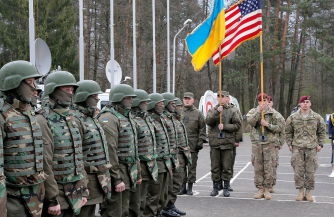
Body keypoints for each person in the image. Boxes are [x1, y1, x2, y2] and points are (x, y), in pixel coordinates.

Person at [36, 70, 89, 217]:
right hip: (56, 194)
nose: (71, 93)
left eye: (72, 90)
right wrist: (52, 199)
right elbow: (44, 163)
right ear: (53, 90)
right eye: (67, 89)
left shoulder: (72, 119)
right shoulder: (42, 119)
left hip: (75, 192)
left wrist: (83, 188)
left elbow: (79, 157)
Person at [0, 60, 47, 217]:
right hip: (12, 201)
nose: (34, 87)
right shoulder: (3, 115)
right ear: (14, 83)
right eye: (29, 82)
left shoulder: (29, 113)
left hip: (35, 198)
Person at [97, 84, 141, 217]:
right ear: (119, 98)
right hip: (117, 172)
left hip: (128, 172)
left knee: (126, 210)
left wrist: (137, 173)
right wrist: (116, 178)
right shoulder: (109, 118)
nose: (132, 101)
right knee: (114, 211)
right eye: (128, 97)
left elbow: (134, 147)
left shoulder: (126, 116)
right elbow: (110, 150)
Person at [71, 80, 112, 217]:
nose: (97, 99)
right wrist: (83, 185)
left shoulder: (91, 118)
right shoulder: (76, 120)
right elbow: (76, 156)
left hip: (96, 179)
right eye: (94, 96)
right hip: (85, 180)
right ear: (84, 97)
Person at [286, 95, 326, 202]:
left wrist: (320, 144)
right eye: (303, 102)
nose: (305, 104)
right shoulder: (293, 117)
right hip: (297, 148)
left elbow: (322, 131)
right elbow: (288, 132)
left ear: (310, 104)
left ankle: (308, 192)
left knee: (310, 171)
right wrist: (289, 144)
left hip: (311, 148)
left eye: (307, 102)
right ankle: (300, 192)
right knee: (298, 171)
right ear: (300, 104)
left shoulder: (317, 117)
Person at [246, 93, 285, 200]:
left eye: (265, 100)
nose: (263, 102)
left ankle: (267, 189)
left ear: (268, 101)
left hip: (270, 144)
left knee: (269, 167)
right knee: (258, 167)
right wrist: (258, 111)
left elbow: (281, 127)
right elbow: (250, 121)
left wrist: (268, 125)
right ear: (258, 102)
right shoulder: (253, 112)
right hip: (257, 144)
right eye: (261, 100)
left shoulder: (275, 114)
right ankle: (260, 189)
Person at [206, 91, 241, 197]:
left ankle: (226, 187)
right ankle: (215, 187)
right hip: (215, 143)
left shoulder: (233, 111)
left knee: (227, 166)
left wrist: (225, 127)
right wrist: (217, 112)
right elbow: (208, 121)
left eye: (223, 97)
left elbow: (237, 125)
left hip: (227, 143)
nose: (220, 99)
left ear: (227, 98)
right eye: (219, 97)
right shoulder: (212, 110)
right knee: (215, 166)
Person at [129, 89, 158, 217]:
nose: (147, 104)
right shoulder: (133, 120)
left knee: (143, 198)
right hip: (138, 165)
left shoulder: (146, 119)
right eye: (144, 101)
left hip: (149, 165)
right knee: (135, 201)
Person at [143, 93, 172, 217]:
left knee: (162, 192)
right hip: (156, 162)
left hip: (164, 160)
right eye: (159, 104)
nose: (163, 107)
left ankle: (159, 211)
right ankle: (151, 213)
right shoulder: (149, 121)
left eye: (162, 104)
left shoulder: (160, 120)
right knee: (153, 193)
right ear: (152, 106)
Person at [161, 94, 187, 217]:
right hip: (171, 155)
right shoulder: (165, 119)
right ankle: (166, 207)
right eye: (177, 105)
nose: (180, 108)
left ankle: (170, 205)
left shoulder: (175, 119)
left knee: (177, 182)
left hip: (179, 154)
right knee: (172, 183)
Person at [179, 92, 206, 196]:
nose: (187, 100)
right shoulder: (179, 112)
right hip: (180, 145)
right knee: (181, 167)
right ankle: (182, 186)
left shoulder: (198, 113)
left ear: (193, 100)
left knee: (191, 167)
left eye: (188, 99)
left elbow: (202, 129)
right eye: (185, 98)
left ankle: (190, 186)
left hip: (192, 145)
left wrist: (200, 142)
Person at [267, 96, 285, 193]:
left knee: (273, 164)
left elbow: (282, 129)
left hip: (274, 143)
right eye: (267, 101)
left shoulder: (277, 115)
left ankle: (271, 184)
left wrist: (281, 142)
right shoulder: (261, 114)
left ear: (272, 103)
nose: (268, 103)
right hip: (263, 143)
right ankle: (264, 184)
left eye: (270, 102)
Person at [226, 95, 243, 192]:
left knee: (229, 162)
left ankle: (227, 182)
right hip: (219, 141)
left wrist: (237, 140)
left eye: (225, 97)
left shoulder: (234, 110)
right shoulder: (216, 109)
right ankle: (219, 182)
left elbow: (239, 126)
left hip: (230, 140)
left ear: (228, 99)